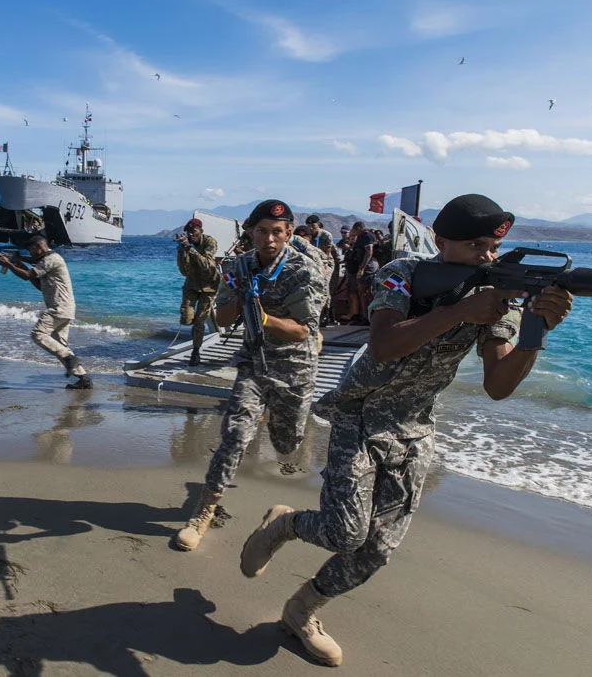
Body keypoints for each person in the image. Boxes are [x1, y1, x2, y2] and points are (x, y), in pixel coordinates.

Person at [236, 194, 574, 666]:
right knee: (345, 533)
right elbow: (384, 344)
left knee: (377, 549)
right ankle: (286, 523)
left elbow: (498, 385)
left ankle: (301, 611)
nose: (487, 256)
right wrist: (460, 311)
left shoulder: (495, 299)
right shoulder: (404, 273)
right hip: (358, 415)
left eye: (494, 247)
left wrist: (536, 331)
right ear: (440, 241)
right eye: (474, 245)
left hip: (414, 428)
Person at [174, 200, 326, 552]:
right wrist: (241, 297)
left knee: (287, 445)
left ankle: (273, 417)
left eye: (277, 232)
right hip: (255, 361)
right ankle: (204, 511)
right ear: (251, 232)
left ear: (289, 232)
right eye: (262, 231)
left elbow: (302, 330)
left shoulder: (303, 269)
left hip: (296, 366)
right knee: (235, 435)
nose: (269, 239)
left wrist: (265, 317)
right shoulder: (239, 267)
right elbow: (223, 319)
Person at [0, 236, 92, 389]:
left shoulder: (51, 259)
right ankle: (83, 379)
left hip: (59, 308)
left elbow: (28, 276)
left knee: (38, 334)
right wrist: (19, 264)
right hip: (65, 308)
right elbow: (37, 284)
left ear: (38, 247)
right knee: (60, 345)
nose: (30, 254)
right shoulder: (47, 261)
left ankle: (71, 359)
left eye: (31, 251)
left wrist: (8, 264)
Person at [176, 218, 220, 366]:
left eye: (194, 231)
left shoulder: (209, 242)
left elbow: (207, 265)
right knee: (186, 318)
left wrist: (191, 249)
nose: (191, 234)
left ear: (201, 231)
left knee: (200, 321)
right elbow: (184, 271)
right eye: (188, 232)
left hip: (209, 286)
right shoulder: (185, 245)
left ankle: (195, 351)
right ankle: (195, 333)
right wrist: (183, 251)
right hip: (192, 284)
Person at [342, 221, 378, 325]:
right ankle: (363, 316)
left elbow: (369, 252)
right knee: (361, 293)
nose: (353, 232)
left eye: (354, 230)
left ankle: (366, 318)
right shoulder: (363, 236)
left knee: (364, 292)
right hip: (365, 265)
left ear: (358, 228)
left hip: (368, 266)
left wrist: (362, 268)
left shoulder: (366, 236)